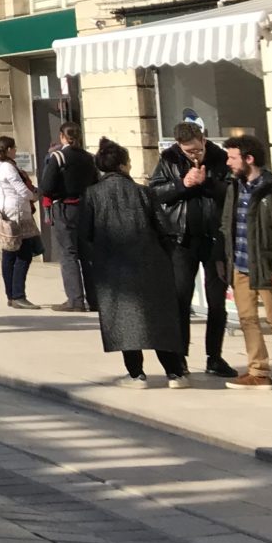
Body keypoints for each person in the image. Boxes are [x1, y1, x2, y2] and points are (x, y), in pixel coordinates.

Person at [79, 138, 188, 388]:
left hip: (113, 267)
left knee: (124, 322)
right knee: (159, 319)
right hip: (152, 264)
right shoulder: (143, 192)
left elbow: (84, 235)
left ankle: (136, 374)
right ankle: (175, 373)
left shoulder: (93, 195)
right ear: (123, 166)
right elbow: (164, 228)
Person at [147, 121, 237, 379]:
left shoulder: (220, 159)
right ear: (178, 146)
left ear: (204, 140)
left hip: (214, 239)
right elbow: (155, 193)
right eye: (189, 151)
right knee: (180, 300)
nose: (194, 155)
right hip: (181, 239)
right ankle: (179, 358)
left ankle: (214, 356)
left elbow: (231, 192)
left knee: (217, 301)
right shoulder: (168, 159)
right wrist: (182, 183)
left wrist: (207, 181)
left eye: (197, 150)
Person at [221, 136, 272, 388]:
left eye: (232, 157)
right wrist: (224, 260)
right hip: (239, 263)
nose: (228, 162)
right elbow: (227, 225)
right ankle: (258, 371)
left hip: (266, 265)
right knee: (247, 318)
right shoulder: (234, 187)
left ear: (249, 159)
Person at [38, 122, 99, 312]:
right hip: (86, 208)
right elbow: (96, 182)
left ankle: (75, 300)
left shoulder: (58, 157)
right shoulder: (90, 158)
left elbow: (46, 186)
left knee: (68, 254)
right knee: (87, 255)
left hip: (64, 208)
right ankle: (95, 299)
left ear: (62, 137)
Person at [0, 136, 42, 310]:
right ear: (8, 149)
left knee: (8, 254)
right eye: (14, 148)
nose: (16, 150)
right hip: (17, 214)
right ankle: (18, 295)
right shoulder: (8, 168)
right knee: (24, 254)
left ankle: (11, 295)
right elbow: (22, 191)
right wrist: (35, 195)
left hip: (3, 212)